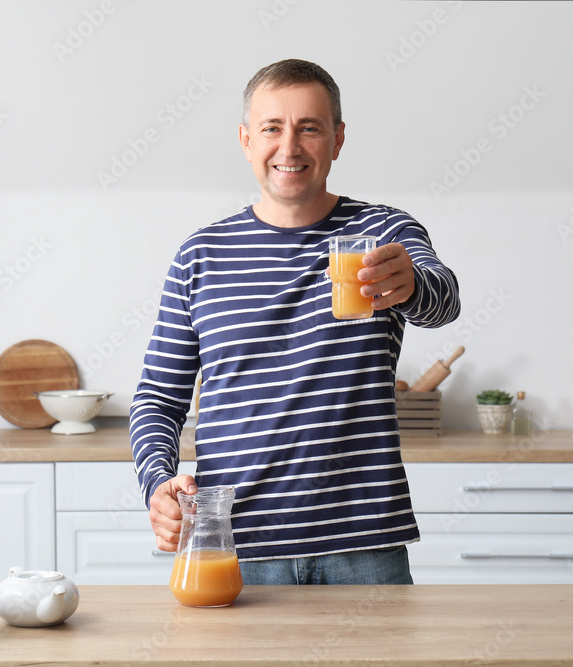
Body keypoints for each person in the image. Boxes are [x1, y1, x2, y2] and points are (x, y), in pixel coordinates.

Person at [129, 59, 460, 585]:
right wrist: (157, 484)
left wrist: (412, 285)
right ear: (245, 139)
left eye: (309, 128)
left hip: (365, 547)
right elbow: (157, 401)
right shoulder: (201, 256)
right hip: (235, 547)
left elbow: (444, 300)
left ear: (338, 139)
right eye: (271, 128)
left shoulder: (382, 231)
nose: (289, 147)